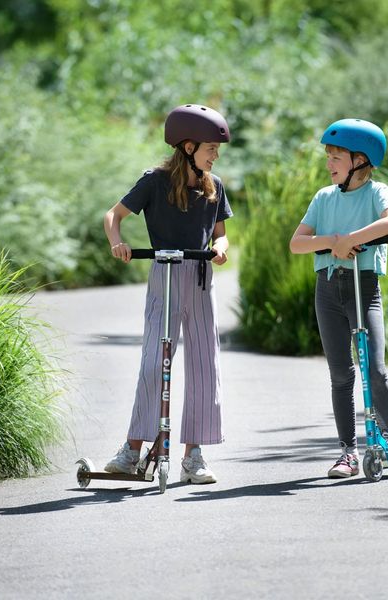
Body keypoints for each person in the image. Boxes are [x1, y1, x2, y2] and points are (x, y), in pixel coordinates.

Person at [103, 104, 232, 484]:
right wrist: (118, 244)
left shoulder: (215, 185)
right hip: (164, 272)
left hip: (200, 276)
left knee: (205, 364)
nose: (216, 155)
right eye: (211, 148)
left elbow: (220, 231)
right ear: (188, 147)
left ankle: (194, 456)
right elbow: (113, 216)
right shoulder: (155, 181)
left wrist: (222, 247)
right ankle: (133, 449)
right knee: (153, 362)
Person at [289, 118, 388, 478]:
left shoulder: (377, 193)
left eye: (336, 157)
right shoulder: (323, 197)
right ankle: (347, 451)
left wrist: (351, 238)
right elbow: (297, 243)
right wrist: (333, 241)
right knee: (341, 374)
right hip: (328, 289)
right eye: (328, 156)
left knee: (374, 369)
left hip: (365, 287)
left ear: (360, 160)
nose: (329, 163)